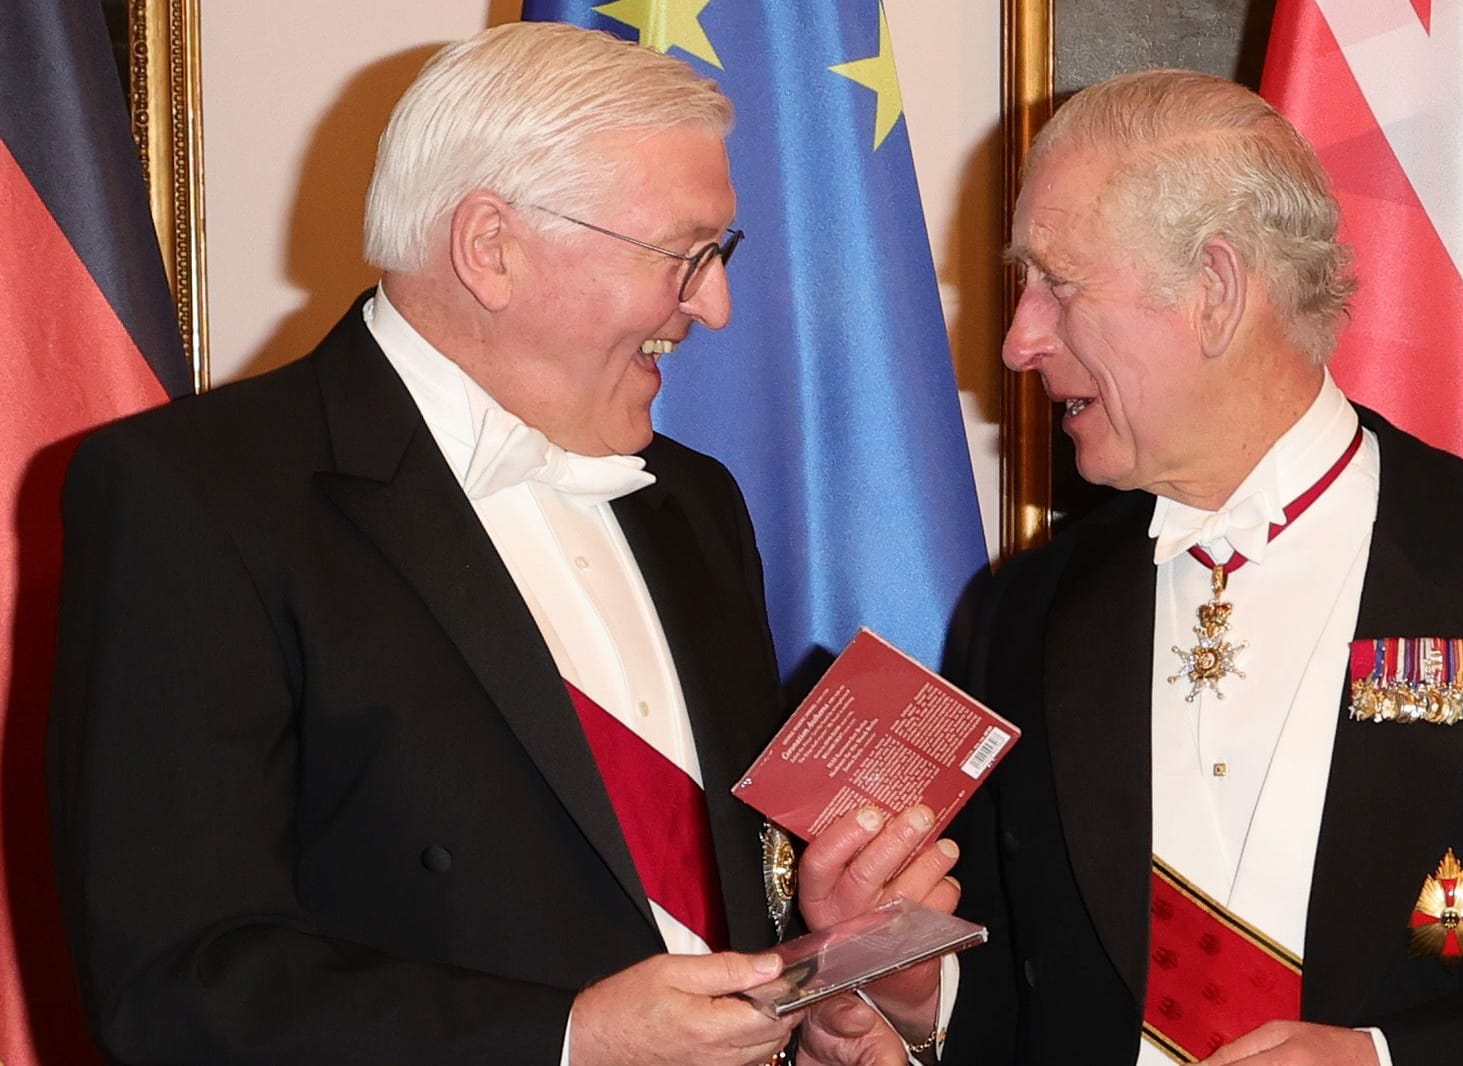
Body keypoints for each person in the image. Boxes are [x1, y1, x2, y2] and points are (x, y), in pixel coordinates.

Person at [48, 22, 955, 1066]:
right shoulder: (203, 494)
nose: (716, 303)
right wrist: (564, 1042)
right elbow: (179, 988)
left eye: (721, 252)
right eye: (686, 255)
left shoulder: (694, 503)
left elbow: (708, 911)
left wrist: (824, 976)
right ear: (491, 248)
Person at [945, 68, 1463, 1066]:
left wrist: (1380, 1062)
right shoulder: (1025, 615)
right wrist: (919, 1000)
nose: (1019, 339)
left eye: (1058, 285)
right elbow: (1014, 996)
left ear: (1213, 291)